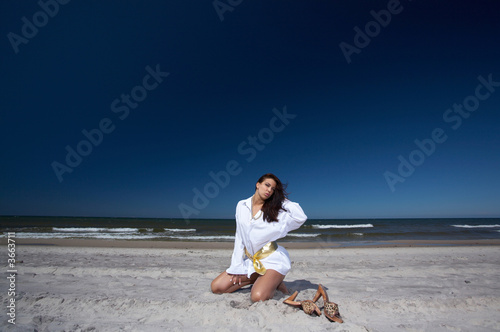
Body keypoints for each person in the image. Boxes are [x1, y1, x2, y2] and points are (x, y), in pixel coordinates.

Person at [211, 173, 307, 302]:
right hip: (252, 261)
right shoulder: (241, 205)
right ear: (258, 184)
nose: (269, 190)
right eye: (267, 185)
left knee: (257, 297)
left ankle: (274, 279)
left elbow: (300, 217)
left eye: (273, 189)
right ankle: (265, 279)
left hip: (272, 260)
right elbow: (239, 236)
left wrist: (281, 199)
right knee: (217, 287)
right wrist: (237, 265)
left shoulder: (276, 211)